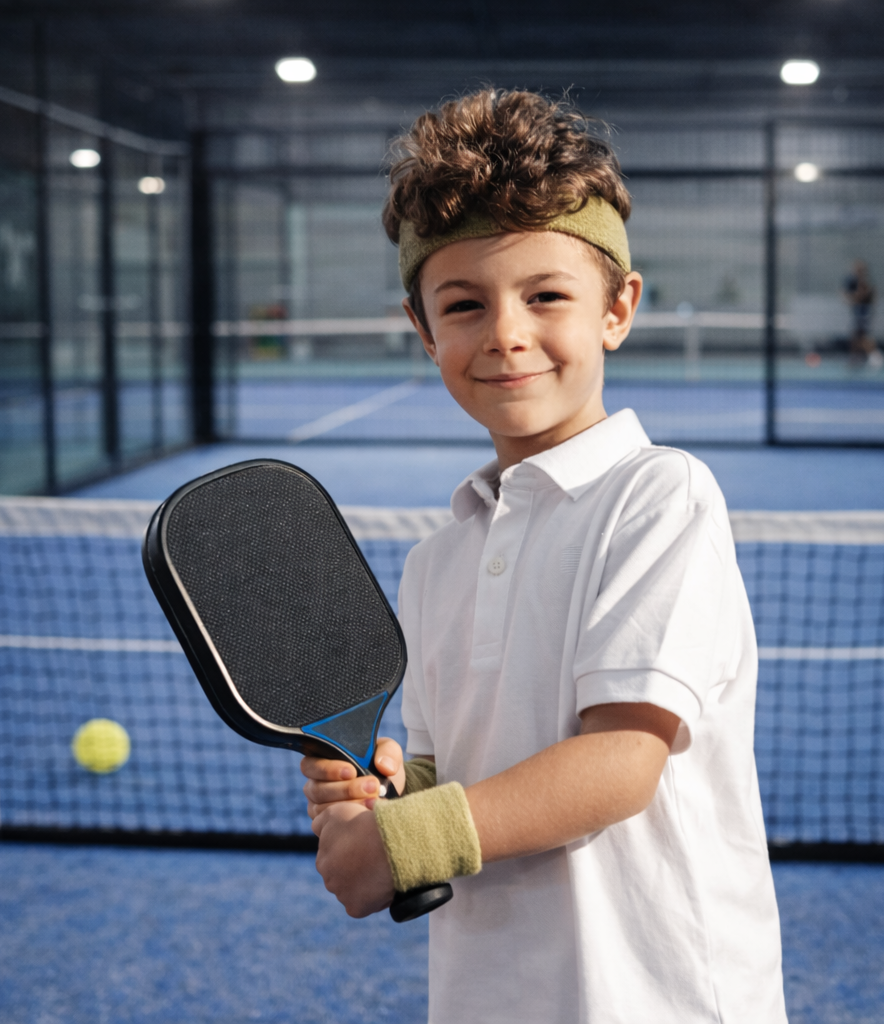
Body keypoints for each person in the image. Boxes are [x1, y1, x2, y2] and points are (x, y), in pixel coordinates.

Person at [301, 89, 787, 1024]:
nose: (507, 334)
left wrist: (399, 849)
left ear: (618, 309)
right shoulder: (436, 562)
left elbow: (617, 764)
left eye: (547, 295)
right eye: (465, 304)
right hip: (489, 996)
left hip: (661, 999)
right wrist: (388, 804)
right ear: (423, 329)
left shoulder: (661, 497)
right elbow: (452, 774)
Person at [842, 259, 884, 367]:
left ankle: (876, 356)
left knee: (862, 336)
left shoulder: (864, 283)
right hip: (858, 312)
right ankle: (855, 358)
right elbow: (847, 296)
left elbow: (865, 297)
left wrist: (855, 298)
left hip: (864, 312)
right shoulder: (854, 282)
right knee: (855, 336)